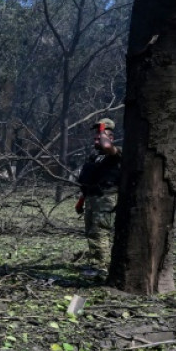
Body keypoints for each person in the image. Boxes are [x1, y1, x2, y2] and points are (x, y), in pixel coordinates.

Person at [75, 117, 121, 278]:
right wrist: (81, 201)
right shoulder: (94, 157)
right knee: (91, 232)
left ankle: (101, 269)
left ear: (110, 138)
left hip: (106, 199)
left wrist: (103, 130)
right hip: (92, 199)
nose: (96, 140)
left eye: (99, 137)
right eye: (95, 138)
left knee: (100, 232)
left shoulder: (116, 153)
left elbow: (108, 146)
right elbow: (87, 182)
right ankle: (96, 264)